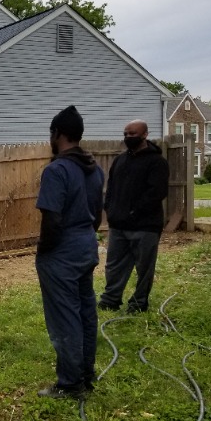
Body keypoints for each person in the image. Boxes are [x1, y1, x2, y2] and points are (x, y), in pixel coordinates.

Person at [35, 106, 105, 400]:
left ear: (58, 135)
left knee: (65, 318)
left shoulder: (57, 170)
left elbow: (52, 220)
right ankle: (87, 374)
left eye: (51, 134)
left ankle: (70, 384)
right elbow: (98, 216)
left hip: (62, 251)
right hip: (86, 245)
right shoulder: (94, 168)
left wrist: (44, 253)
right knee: (85, 312)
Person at [98, 120, 169, 314]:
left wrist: (134, 211)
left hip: (145, 226)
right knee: (113, 267)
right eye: (126, 134)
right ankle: (110, 300)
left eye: (133, 134)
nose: (128, 137)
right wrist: (110, 209)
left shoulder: (157, 162)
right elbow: (111, 188)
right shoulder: (120, 160)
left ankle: (138, 304)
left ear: (145, 134)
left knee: (144, 269)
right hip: (118, 225)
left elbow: (157, 193)